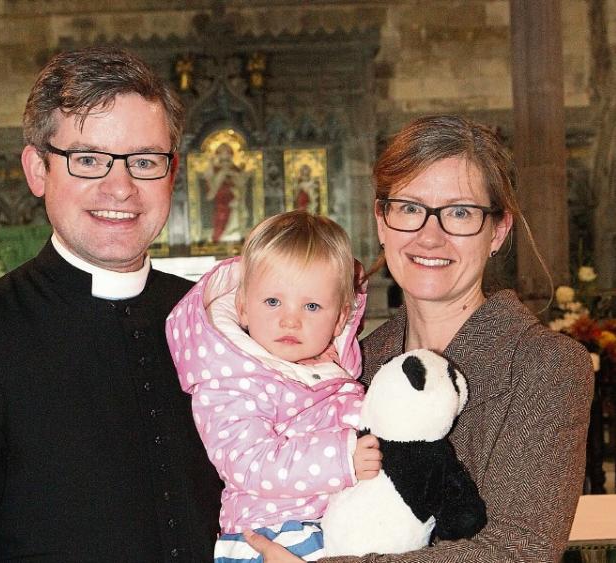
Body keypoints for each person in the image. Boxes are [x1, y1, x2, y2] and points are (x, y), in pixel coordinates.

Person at [0, 46, 222, 562]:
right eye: (87, 160)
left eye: (145, 161)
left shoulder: (214, 319)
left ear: (172, 173)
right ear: (37, 170)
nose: (121, 187)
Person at [244, 115, 593, 562]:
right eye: (410, 208)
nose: (430, 236)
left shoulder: (546, 367)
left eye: (460, 213)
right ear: (381, 221)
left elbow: (520, 549)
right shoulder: (352, 363)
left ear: (498, 231)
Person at [166, 210, 382, 563]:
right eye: (272, 302)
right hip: (273, 535)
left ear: (341, 316)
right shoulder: (230, 379)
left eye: (312, 305)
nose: (290, 319)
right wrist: (341, 457)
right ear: (244, 307)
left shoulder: (333, 371)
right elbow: (248, 461)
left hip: (328, 524)